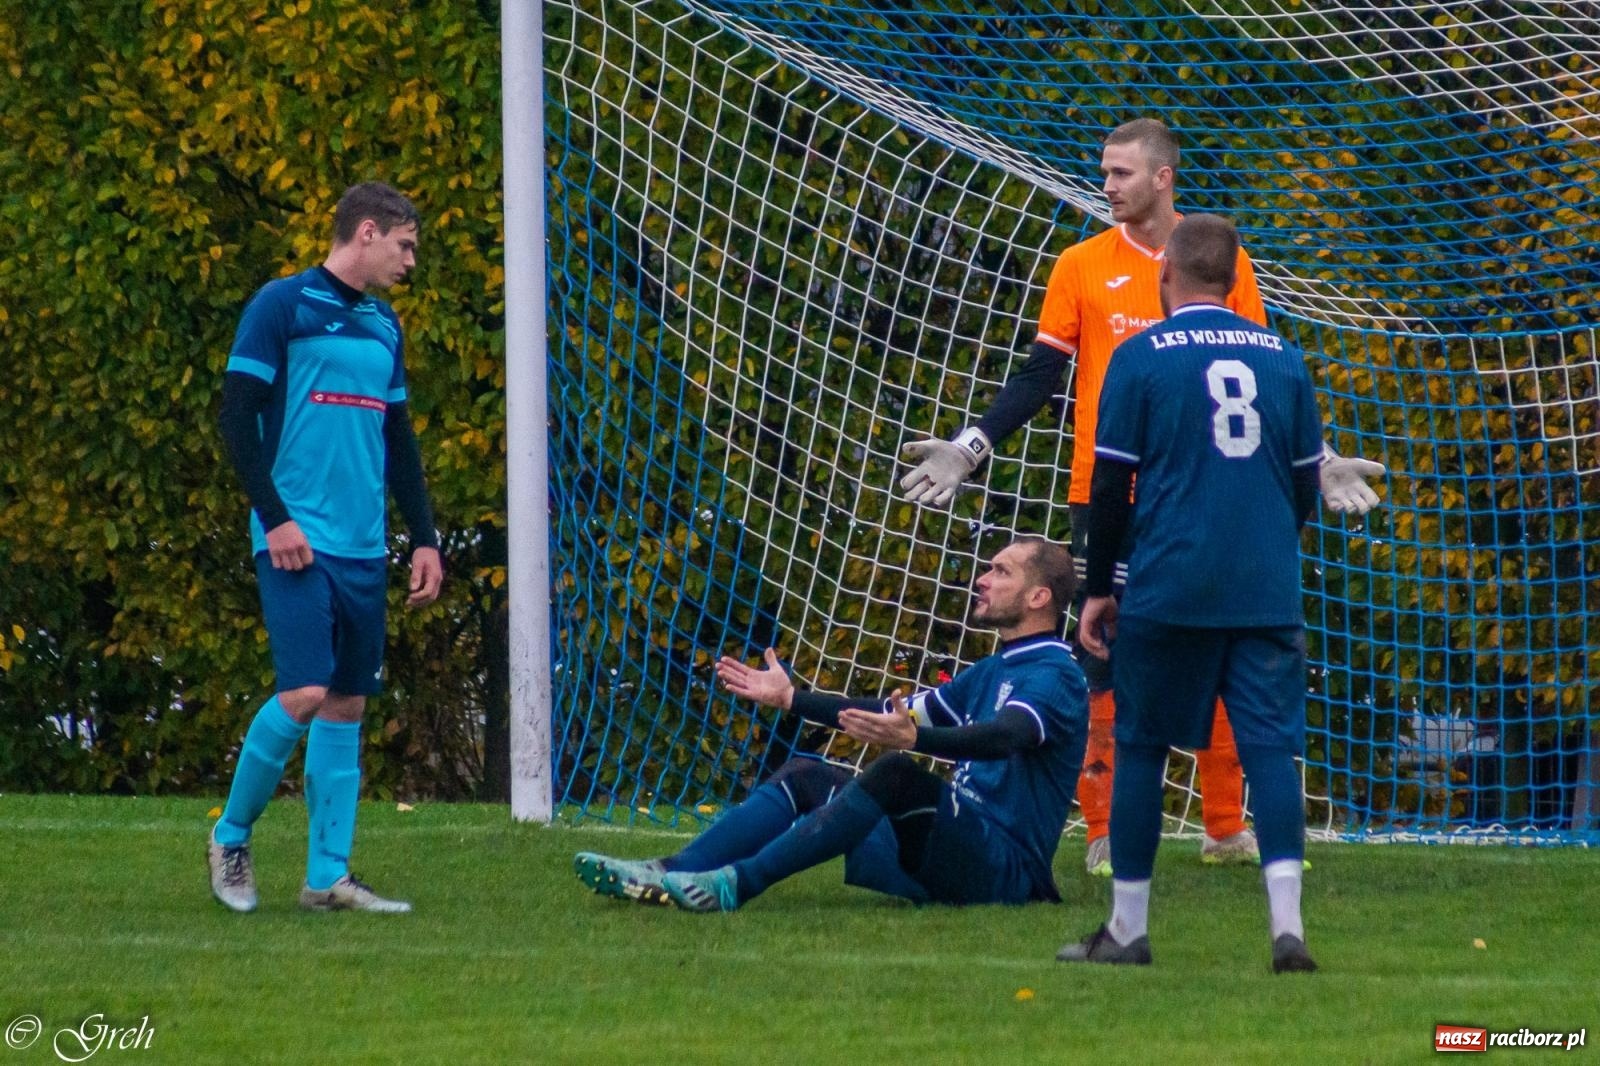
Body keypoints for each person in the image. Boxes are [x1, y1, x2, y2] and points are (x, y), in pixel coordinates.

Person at [898, 118, 1384, 876]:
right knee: (1101, 653)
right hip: (1105, 491)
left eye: (1121, 173)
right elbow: (1040, 376)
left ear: (1163, 178)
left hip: (1201, 491)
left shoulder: (1223, 260)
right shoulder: (1080, 264)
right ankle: (1101, 829)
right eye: (1104, 171)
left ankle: (1225, 827)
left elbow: (1254, 376)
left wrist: (1315, 460)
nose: (1106, 185)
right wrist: (971, 447)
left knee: (1220, 645)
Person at [1055, 213, 1321, 972]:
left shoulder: (1139, 359)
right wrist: (1270, 548)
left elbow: (1109, 488)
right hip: (1265, 586)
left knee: (1139, 744)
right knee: (1271, 749)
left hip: (1170, 582)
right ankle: (1286, 929)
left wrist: (1100, 587)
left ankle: (1129, 931)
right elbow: (1305, 485)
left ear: (1165, 274)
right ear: (1237, 280)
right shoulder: (1283, 359)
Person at [572, 537, 1087, 912]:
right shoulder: (993, 670)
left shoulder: (1056, 673)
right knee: (806, 773)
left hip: (1006, 869)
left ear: (1039, 597)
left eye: (1001, 571)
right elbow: (889, 711)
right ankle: (670, 871)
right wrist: (791, 698)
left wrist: (918, 739)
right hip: (951, 846)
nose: (983, 578)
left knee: (896, 773)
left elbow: (1009, 736)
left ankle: (734, 885)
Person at [206, 182, 443, 914]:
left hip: (364, 548)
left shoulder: (384, 326)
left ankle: (327, 879)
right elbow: (236, 419)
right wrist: (275, 518)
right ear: (366, 233)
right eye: (404, 246)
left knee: (345, 703)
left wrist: (426, 539)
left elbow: (397, 441)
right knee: (304, 691)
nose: (411, 261)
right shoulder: (282, 305)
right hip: (294, 538)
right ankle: (230, 836)